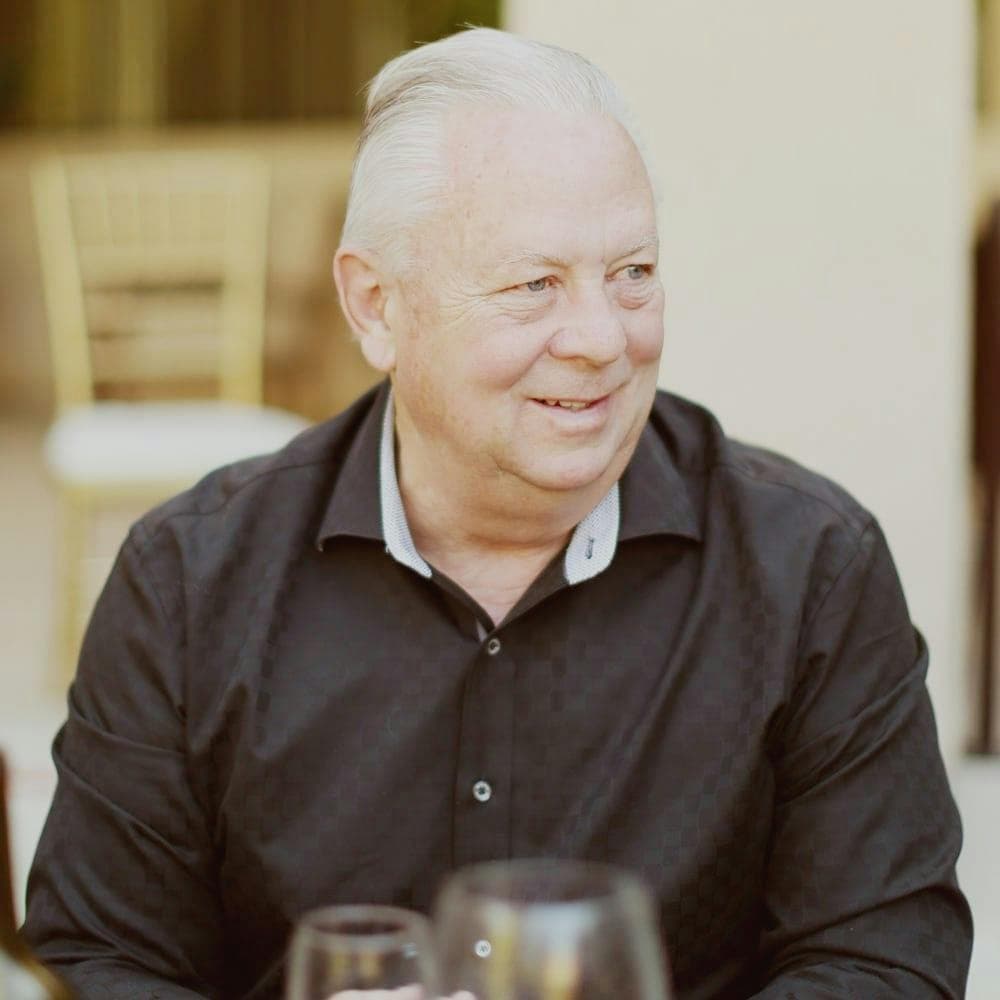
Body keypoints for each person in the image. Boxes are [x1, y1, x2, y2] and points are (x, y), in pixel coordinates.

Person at [23, 27, 972, 1000]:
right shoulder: (190, 580)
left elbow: (881, 959)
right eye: (534, 285)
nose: (603, 339)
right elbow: (102, 960)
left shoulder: (809, 565)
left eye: (633, 272)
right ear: (376, 306)